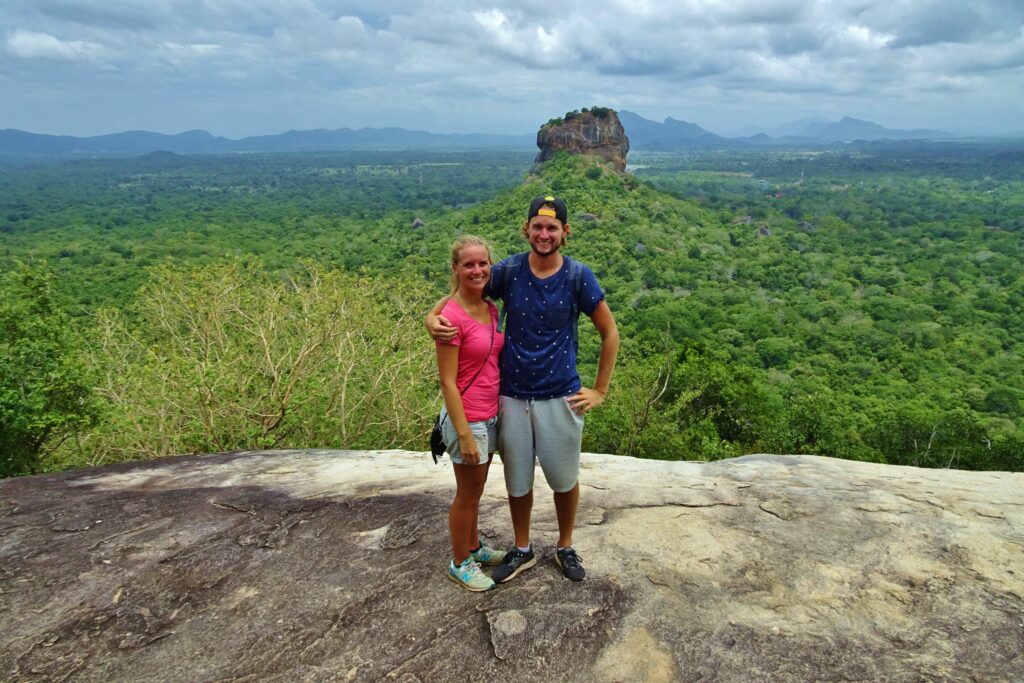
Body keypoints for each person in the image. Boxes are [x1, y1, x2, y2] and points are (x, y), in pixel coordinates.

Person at [428, 196, 619, 583]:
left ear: (565, 232)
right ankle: (522, 547)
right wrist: (431, 316)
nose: (544, 234)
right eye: (537, 226)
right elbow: (468, 288)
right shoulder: (511, 270)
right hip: (512, 396)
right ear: (526, 229)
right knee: (519, 481)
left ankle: (565, 545)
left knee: (564, 479)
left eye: (552, 228)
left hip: (560, 394)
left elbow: (610, 332)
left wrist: (600, 389)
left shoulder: (578, 276)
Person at [436, 235, 507, 591]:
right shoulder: (450, 318)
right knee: (466, 495)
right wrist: (464, 433)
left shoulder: (490, 307)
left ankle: (474, 547)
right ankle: (459, 562)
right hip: (469, 419)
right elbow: (447, 382)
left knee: (475, 491)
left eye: (482, 263)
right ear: (456, 269)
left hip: (490, 415)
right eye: (468, 265)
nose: (477, 270)